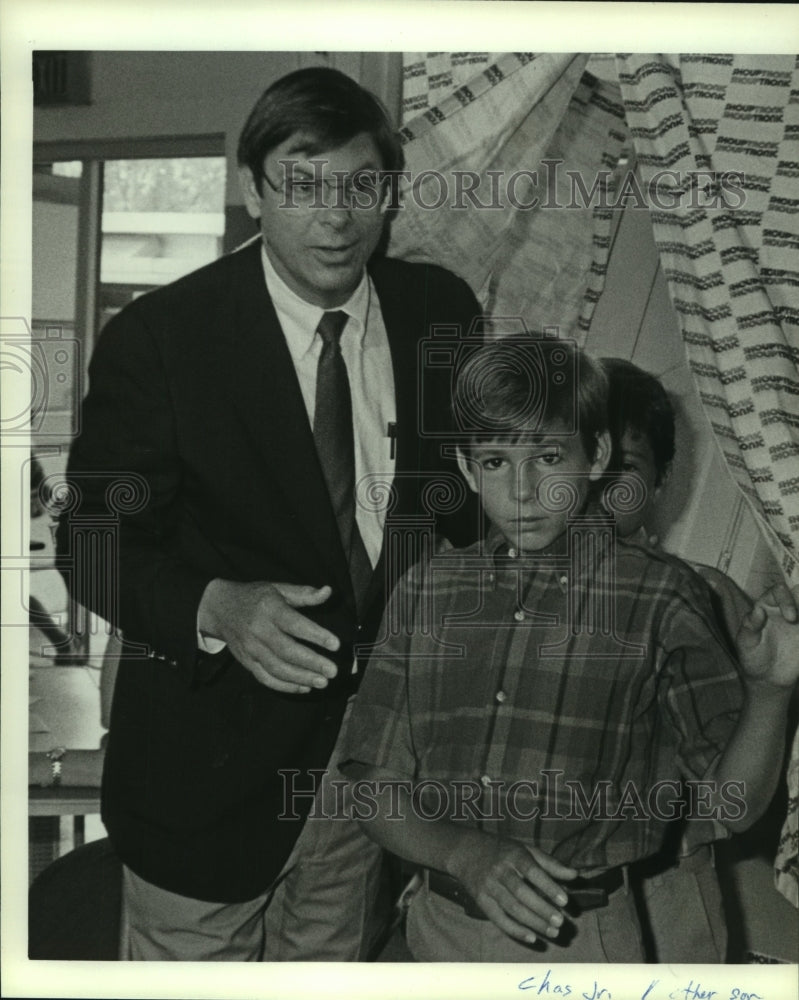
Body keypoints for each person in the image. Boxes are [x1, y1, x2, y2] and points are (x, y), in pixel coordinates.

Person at [55, 66, 480, 961]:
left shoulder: (436, 312)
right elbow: (91, 541)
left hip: (368, 771)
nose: (336, 215)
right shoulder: (163, 338)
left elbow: (452, 505)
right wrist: (217, 606)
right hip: (203, 775)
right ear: (252, 189)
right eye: (302, 183)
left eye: (360, 185)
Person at [339, 337, 799, 963]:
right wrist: (464, 853)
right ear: (468, 468)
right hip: (434, 932)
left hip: (580, 944)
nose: (524, 491)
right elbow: (373, 787)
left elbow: (731, 807)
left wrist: (771, 692)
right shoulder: (427, 588)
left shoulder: (662, 597)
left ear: (596, 454)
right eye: (496, 462)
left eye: (549, 456)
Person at [602, 355, 798, 962]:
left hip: (667, 899)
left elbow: (741, 800)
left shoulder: (708, 598)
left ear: (661, 480)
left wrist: (770, 689)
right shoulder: (484, 592)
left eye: (623, 466)